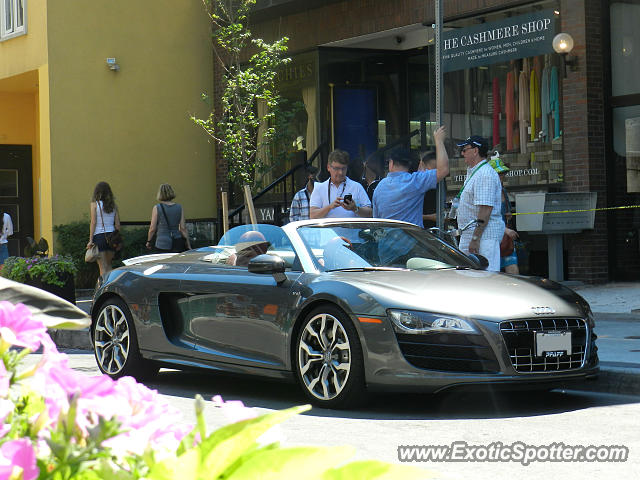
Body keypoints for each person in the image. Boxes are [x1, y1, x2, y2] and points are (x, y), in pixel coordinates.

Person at [373, 126, 449, 227]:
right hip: (412, 241)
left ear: (391, 163)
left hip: (386, 241)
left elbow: (376, 221)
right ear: (409, 165)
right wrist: (439, 140)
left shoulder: (379, 187)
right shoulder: (415, 181)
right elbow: (443, 170)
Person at [455, 136, 504, 272]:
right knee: (470, 279)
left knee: (486, 277)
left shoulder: (484, 174)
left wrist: (475, 238)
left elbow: (485, 209)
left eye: (465, 150)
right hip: (473, 235)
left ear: (475, 150)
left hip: (483, 237)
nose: (462, 153)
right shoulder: (475, 172)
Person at [309, 149, 372, 219]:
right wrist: (330, 207)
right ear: (328, 167)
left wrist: (355, 208)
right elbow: (313, 215)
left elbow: (370, 213)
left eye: (343, 168)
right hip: (327, 230)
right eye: (336, 168)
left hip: (351, 229)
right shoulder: (319, 188)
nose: (340, 172)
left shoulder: (356, 187)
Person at [489, 156, 520, 274]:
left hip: (504, 238)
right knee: (493, 271)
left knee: (512, 266)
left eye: (502, 173)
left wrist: (508, 215)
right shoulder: (489, 191)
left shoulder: (503, 190)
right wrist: (506, 230)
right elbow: (487, 217)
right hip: (492, 236)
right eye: (498, 173)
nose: (501, 176)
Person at [87, 182, 121, 277]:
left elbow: (93, 222)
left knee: (102, 267)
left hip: (99, 237)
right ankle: (111, 288)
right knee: (109, 266)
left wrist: (90, 240)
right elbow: (118, 224)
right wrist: (118, 239)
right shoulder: (113, 206)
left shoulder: (95, 204)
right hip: (112, 237)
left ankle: (103, 289)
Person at [146, 183, 191, 253]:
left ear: (160, 194)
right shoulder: (179, 207)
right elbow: (183, 228)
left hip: (161, 243)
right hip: (176, 242)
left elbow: (152, 228)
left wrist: (149, 241)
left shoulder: (157, 208)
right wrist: (188, 245)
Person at [418, 149, 447, 229]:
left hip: (438, 229)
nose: (435, 175)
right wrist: (430, 217)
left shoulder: (441, 181)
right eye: (432, 172)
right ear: (421, 165)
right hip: (420, 230)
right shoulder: (414, 185)